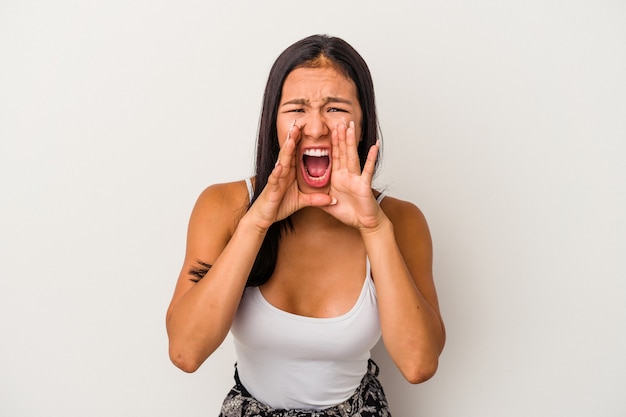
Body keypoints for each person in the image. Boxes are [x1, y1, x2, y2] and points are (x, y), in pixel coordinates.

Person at [166, 34, 446, 416]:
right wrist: (258, 220)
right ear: (273, 123)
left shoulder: (399, 220)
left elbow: (419, 364)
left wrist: (374, 228)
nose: (315, 128)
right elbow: (185, 352)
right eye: (297, 108)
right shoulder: (222, 206)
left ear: (363, 123)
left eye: (335, 109)